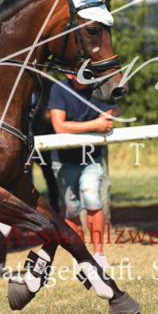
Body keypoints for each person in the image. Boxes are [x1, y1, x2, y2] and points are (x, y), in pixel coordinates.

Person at [47, 73, 120, 270]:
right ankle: (81, 256)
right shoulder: (59, 89)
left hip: (91, 158)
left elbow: (114, 110)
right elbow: (60, 126)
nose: (84, 73)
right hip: (62, 160)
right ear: (68, 73)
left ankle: (98, 255)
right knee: (71, 209)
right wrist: (95, 125)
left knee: (92, 200)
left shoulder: (97, 88)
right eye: (78, 69)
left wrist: (109, 115)